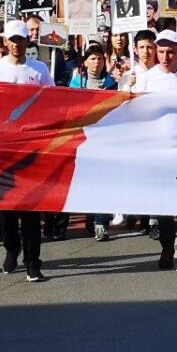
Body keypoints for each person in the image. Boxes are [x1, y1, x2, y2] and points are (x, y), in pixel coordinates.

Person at [0, 20, 53, 282]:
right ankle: (12, 249)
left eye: (20, 39)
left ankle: (33, 262)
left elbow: (51, 100)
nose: (15, 44)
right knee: (7, 206)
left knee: (31, 207)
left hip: (31, 144)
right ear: (5, 41)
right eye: (11, 40)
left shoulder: (39, 69)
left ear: (27, 41)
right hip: (2, 145)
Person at [136, 30, 177, 275]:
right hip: (158, 150)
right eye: (161, 52)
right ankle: (166, 247)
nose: (165, 57)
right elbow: (138, 113)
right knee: (163, 204)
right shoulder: (148, 79)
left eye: (170, 52)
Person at [68, 43, 117, 241]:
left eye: (100, 58)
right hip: (84, 136)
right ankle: (90, 217)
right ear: (85, 61)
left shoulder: (111, 83)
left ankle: (100, 222)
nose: (96, 62)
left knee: (103, 180)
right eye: (92, 58)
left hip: (105, 137)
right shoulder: (77, 83)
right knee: (85, 180)